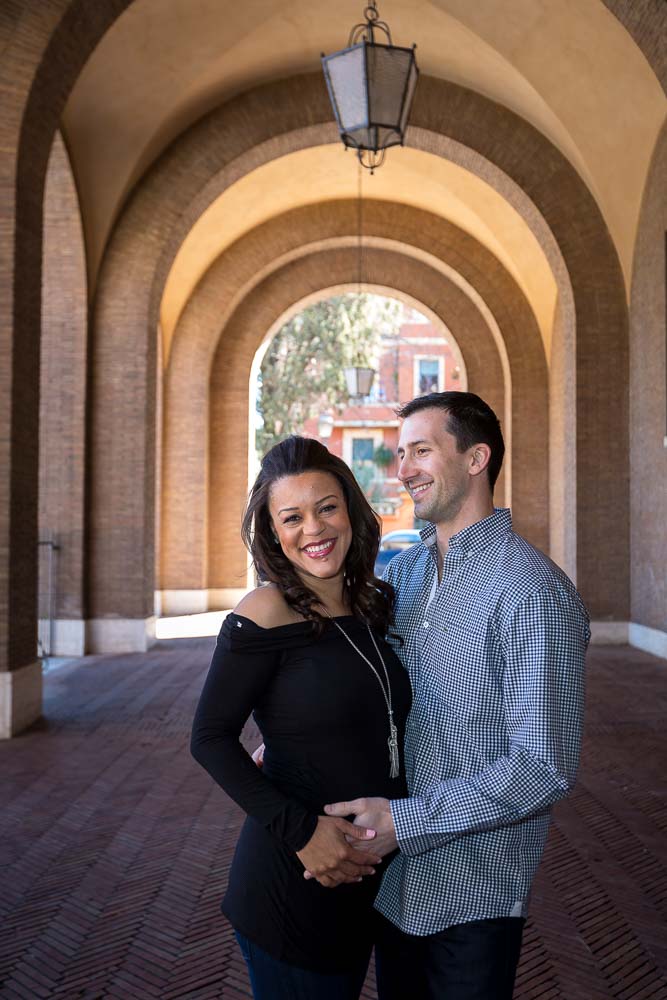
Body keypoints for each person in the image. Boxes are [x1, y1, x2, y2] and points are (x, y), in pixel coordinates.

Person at [320, 391, 590, 1000]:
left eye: (421, 450)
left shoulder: (530, 591)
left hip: (474, 893)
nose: (403, 469)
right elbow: (356, 683)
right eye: (400, 453)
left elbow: (544, 766)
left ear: (476, 459)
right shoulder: (403, 576)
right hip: (391, 886)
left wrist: (405, 822)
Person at [190, 435, 412, 1000]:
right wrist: (304, 833)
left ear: (351, 511)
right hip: (296, 875)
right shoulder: (265, 611)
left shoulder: (372, 603)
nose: (313, 529)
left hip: (367, 877)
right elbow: (210, 738)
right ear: (272, 532)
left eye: (326, 508)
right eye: (292, 517)